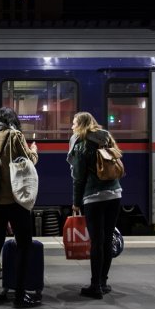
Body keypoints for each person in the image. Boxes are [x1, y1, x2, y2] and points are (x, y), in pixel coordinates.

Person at [0, 107, 40, 308]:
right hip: (15, 200)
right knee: (24, 245)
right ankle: (20, 295)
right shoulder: (15, 135)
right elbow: (29, 161)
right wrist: (34, 151)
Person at [67, 112, 122, 299]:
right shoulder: (106, 139)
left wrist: (75, 202)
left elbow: (78, 179)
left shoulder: (82, 145)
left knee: (97, 242)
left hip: (94, 197)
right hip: (115, 194)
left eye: (74, 123)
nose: (72, 127)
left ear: (81, 125)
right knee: (107, 240)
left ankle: (95, 286)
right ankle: (104, 281)